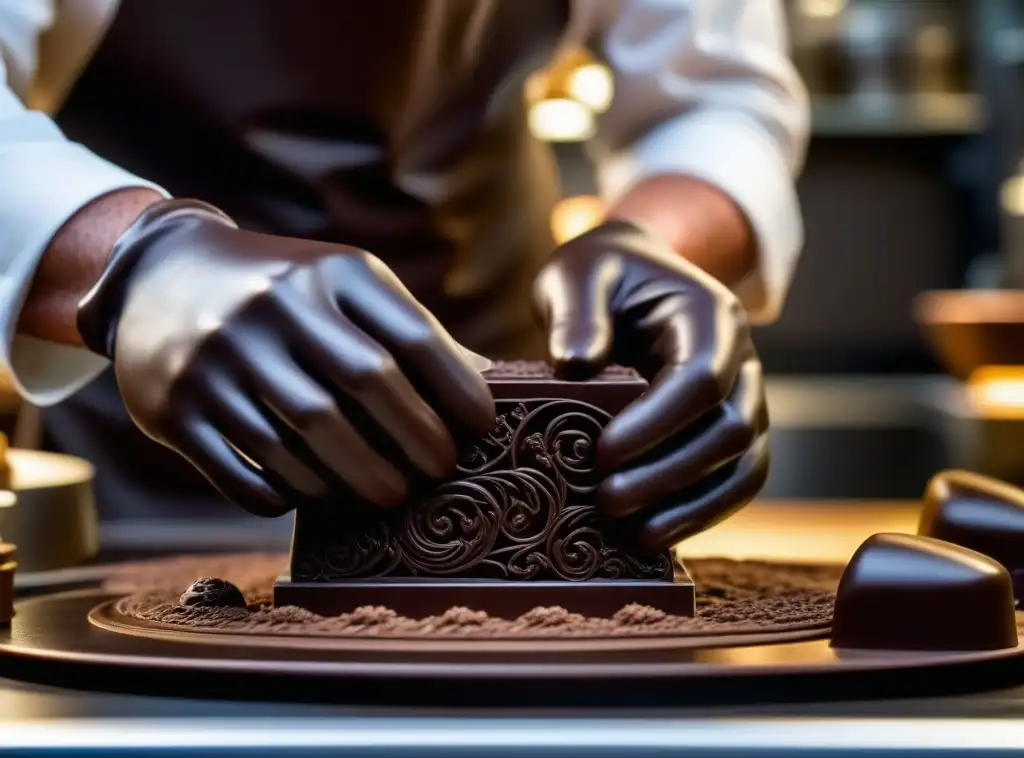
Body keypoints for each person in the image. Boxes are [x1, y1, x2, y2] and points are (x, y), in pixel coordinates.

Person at [0, 0, 808, 552]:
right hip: (143, 454)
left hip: (504, 438)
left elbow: (713, 100)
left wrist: (658, 245)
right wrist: (140, 267)